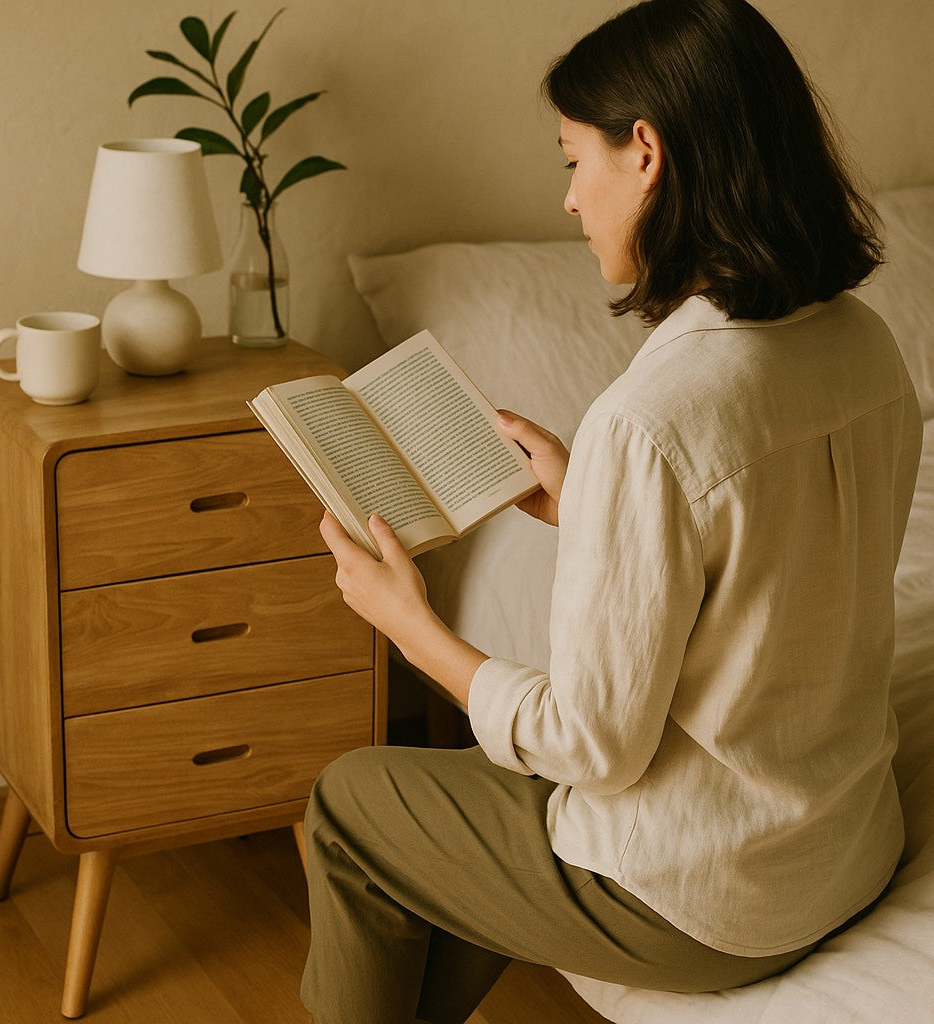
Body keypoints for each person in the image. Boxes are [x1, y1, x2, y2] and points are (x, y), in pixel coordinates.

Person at [300, 1, 924, 1021]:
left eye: (569, 160)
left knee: (350, 805)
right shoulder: (862, 343)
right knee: (443, 839)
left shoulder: (651, 417)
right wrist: (591, 499)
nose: (568, 203)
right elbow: (774, 555)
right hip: (839, 847)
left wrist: (409, 625)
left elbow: (592, 745)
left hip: (700, 895)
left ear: (646, 153)